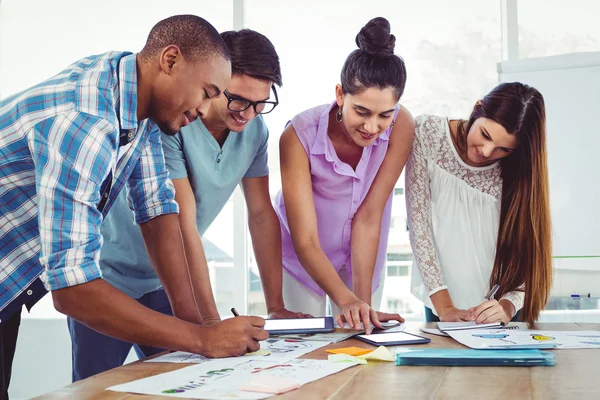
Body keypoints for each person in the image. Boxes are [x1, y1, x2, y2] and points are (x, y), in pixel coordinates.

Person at [0, 15, 267, 397]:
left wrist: (200, 326)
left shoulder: (134, 98)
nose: (207, 109)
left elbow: (158, 211)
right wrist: (201, 339)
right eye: (207, 92)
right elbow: (71, 288)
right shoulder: (86, 122)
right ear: (170, 60)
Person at [67, 28, 307, 382]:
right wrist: (210, 324)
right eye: (238, 99)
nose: (248, 114)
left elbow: (260, 216)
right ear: (215, 80)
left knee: (190, 381)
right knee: (97, 387)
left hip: (167, 280)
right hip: (109, 279)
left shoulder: (255, 133)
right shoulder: (172, 121)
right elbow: (183, 223)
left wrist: (276, 306)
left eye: (261, 103)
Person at [274, 17, 414, 334]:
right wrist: (345, 301)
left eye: (384, 115)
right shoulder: (298, 136)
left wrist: (360, 306)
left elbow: (369, 216)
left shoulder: (402, 125)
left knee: (361, 336)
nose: (371, 127)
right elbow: (305, 239)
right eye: (361, 111)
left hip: (363, 256)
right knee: (305, 345)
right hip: (305, 257)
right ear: (340, 95)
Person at [406, 82, 552, 326]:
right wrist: (445, 306)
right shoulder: (426, 132)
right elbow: (418, 226)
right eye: (485, 135)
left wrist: (507, 306)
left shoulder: (517, 169)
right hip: (440, 299)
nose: (486, 151)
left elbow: (530, 254)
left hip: (499, 308)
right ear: (476, 110)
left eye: (503, 149)